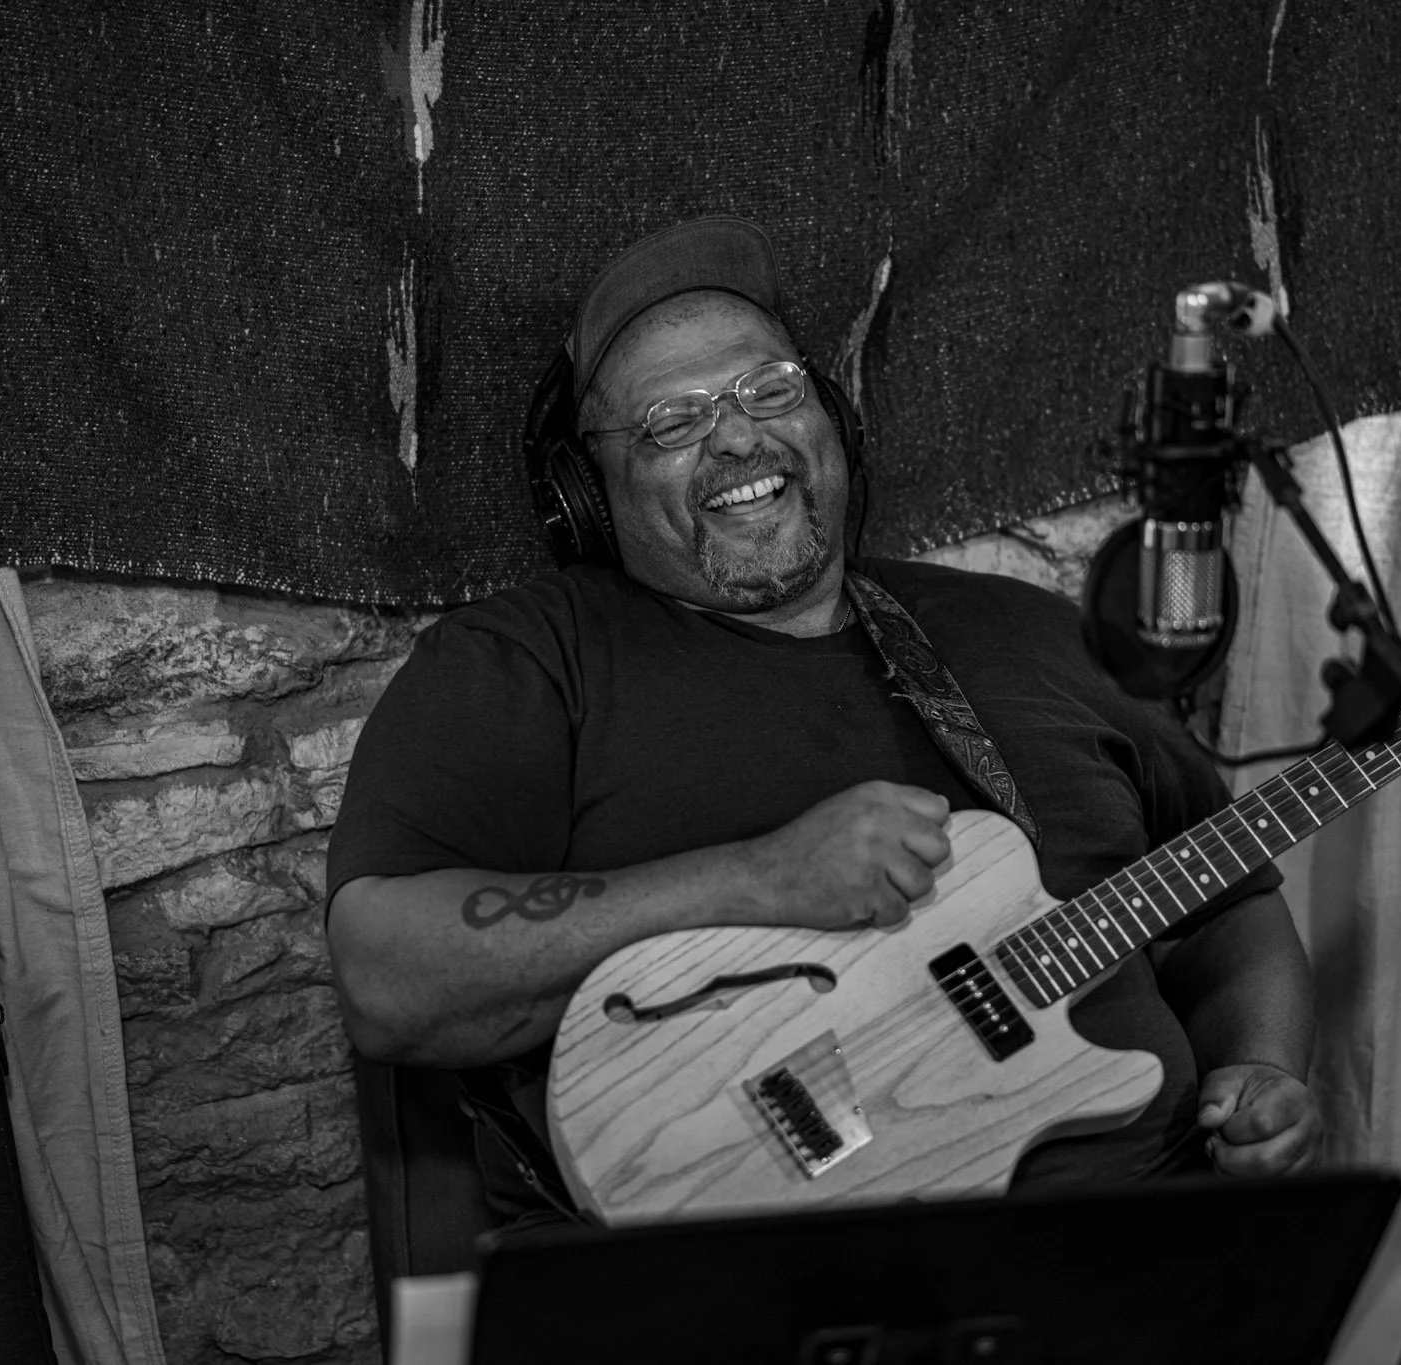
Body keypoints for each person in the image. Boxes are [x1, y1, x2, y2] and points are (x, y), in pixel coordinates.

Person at [326, 216, 1323, 1230]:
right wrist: (759, 877)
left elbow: (1218, 897)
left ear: (830, 422)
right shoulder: (526, 664)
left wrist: (1260, 1067)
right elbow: (386, 977)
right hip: (779, 1299)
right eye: (672, 420)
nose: (736, 437)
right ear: (587, 496)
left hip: (1161, 1258)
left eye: (769, 392)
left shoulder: (1032, 633)